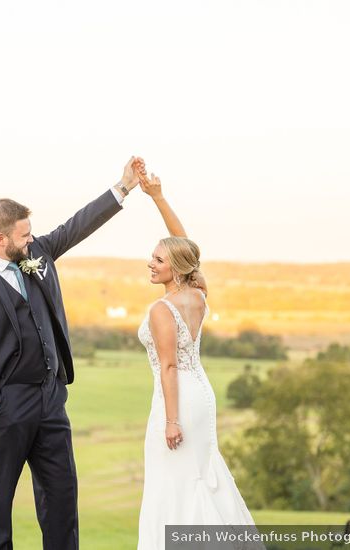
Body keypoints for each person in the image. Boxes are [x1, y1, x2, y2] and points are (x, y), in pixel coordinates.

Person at [0, 157, 146, 550]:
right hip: (7, 404)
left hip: (51, 400)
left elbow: (77, 226)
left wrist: (122, 187)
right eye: (23, 235)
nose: (31, 240)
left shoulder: (37, 254)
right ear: (0, 239)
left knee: (61, 497)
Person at [135, 173, 262, 549]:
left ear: (174, 267)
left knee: (171, 479)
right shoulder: (198, 294)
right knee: (197, 475)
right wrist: (158, 198)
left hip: (175, 400)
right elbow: (186, 249)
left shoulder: (161, 309)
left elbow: (169, 367)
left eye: (158, 259)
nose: (150, 264)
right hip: (201, 396)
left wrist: (172, 420)